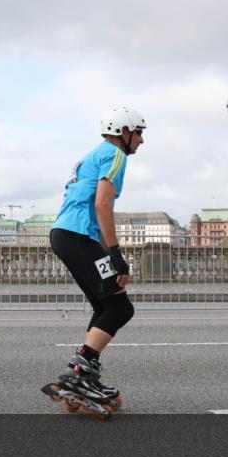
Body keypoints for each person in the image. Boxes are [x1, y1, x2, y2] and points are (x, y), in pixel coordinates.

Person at [42, 106, 145, 419]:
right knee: (119, 308)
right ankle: (79, 376)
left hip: (68, 234)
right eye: (139, 132)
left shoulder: (93, 154)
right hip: (77, 237)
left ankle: (83, 375)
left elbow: (90, 206)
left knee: (106, 306)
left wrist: (108, 254)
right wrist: (115, 253)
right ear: (124, 132)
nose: (141, 140)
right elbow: (102, 204)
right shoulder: (116, 156)